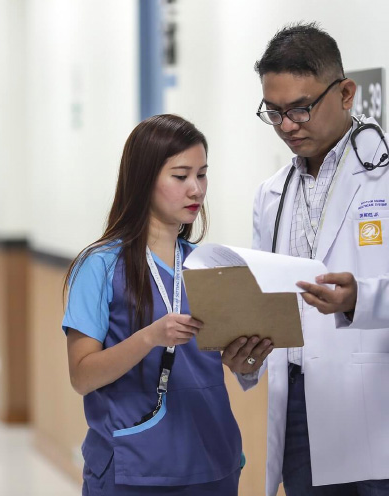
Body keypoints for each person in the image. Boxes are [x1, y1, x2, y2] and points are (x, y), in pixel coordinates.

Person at [228, 22, 389, 496]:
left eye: (300, 108)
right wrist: (246, 355)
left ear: (345, 93)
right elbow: (270, 299)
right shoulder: (271, 194)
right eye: (273, 113)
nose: (287, 126)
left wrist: (361, 297)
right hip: (302, 413)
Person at [62, 114, 269, 495]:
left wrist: (247, 360)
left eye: (202, 174)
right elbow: (82, 376)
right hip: (134, 468)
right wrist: (150, 338)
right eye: (181, 176)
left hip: (212, 463)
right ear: (144, 181)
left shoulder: (210, 264)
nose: (196, 190)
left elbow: (225, 363)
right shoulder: (100, 266)